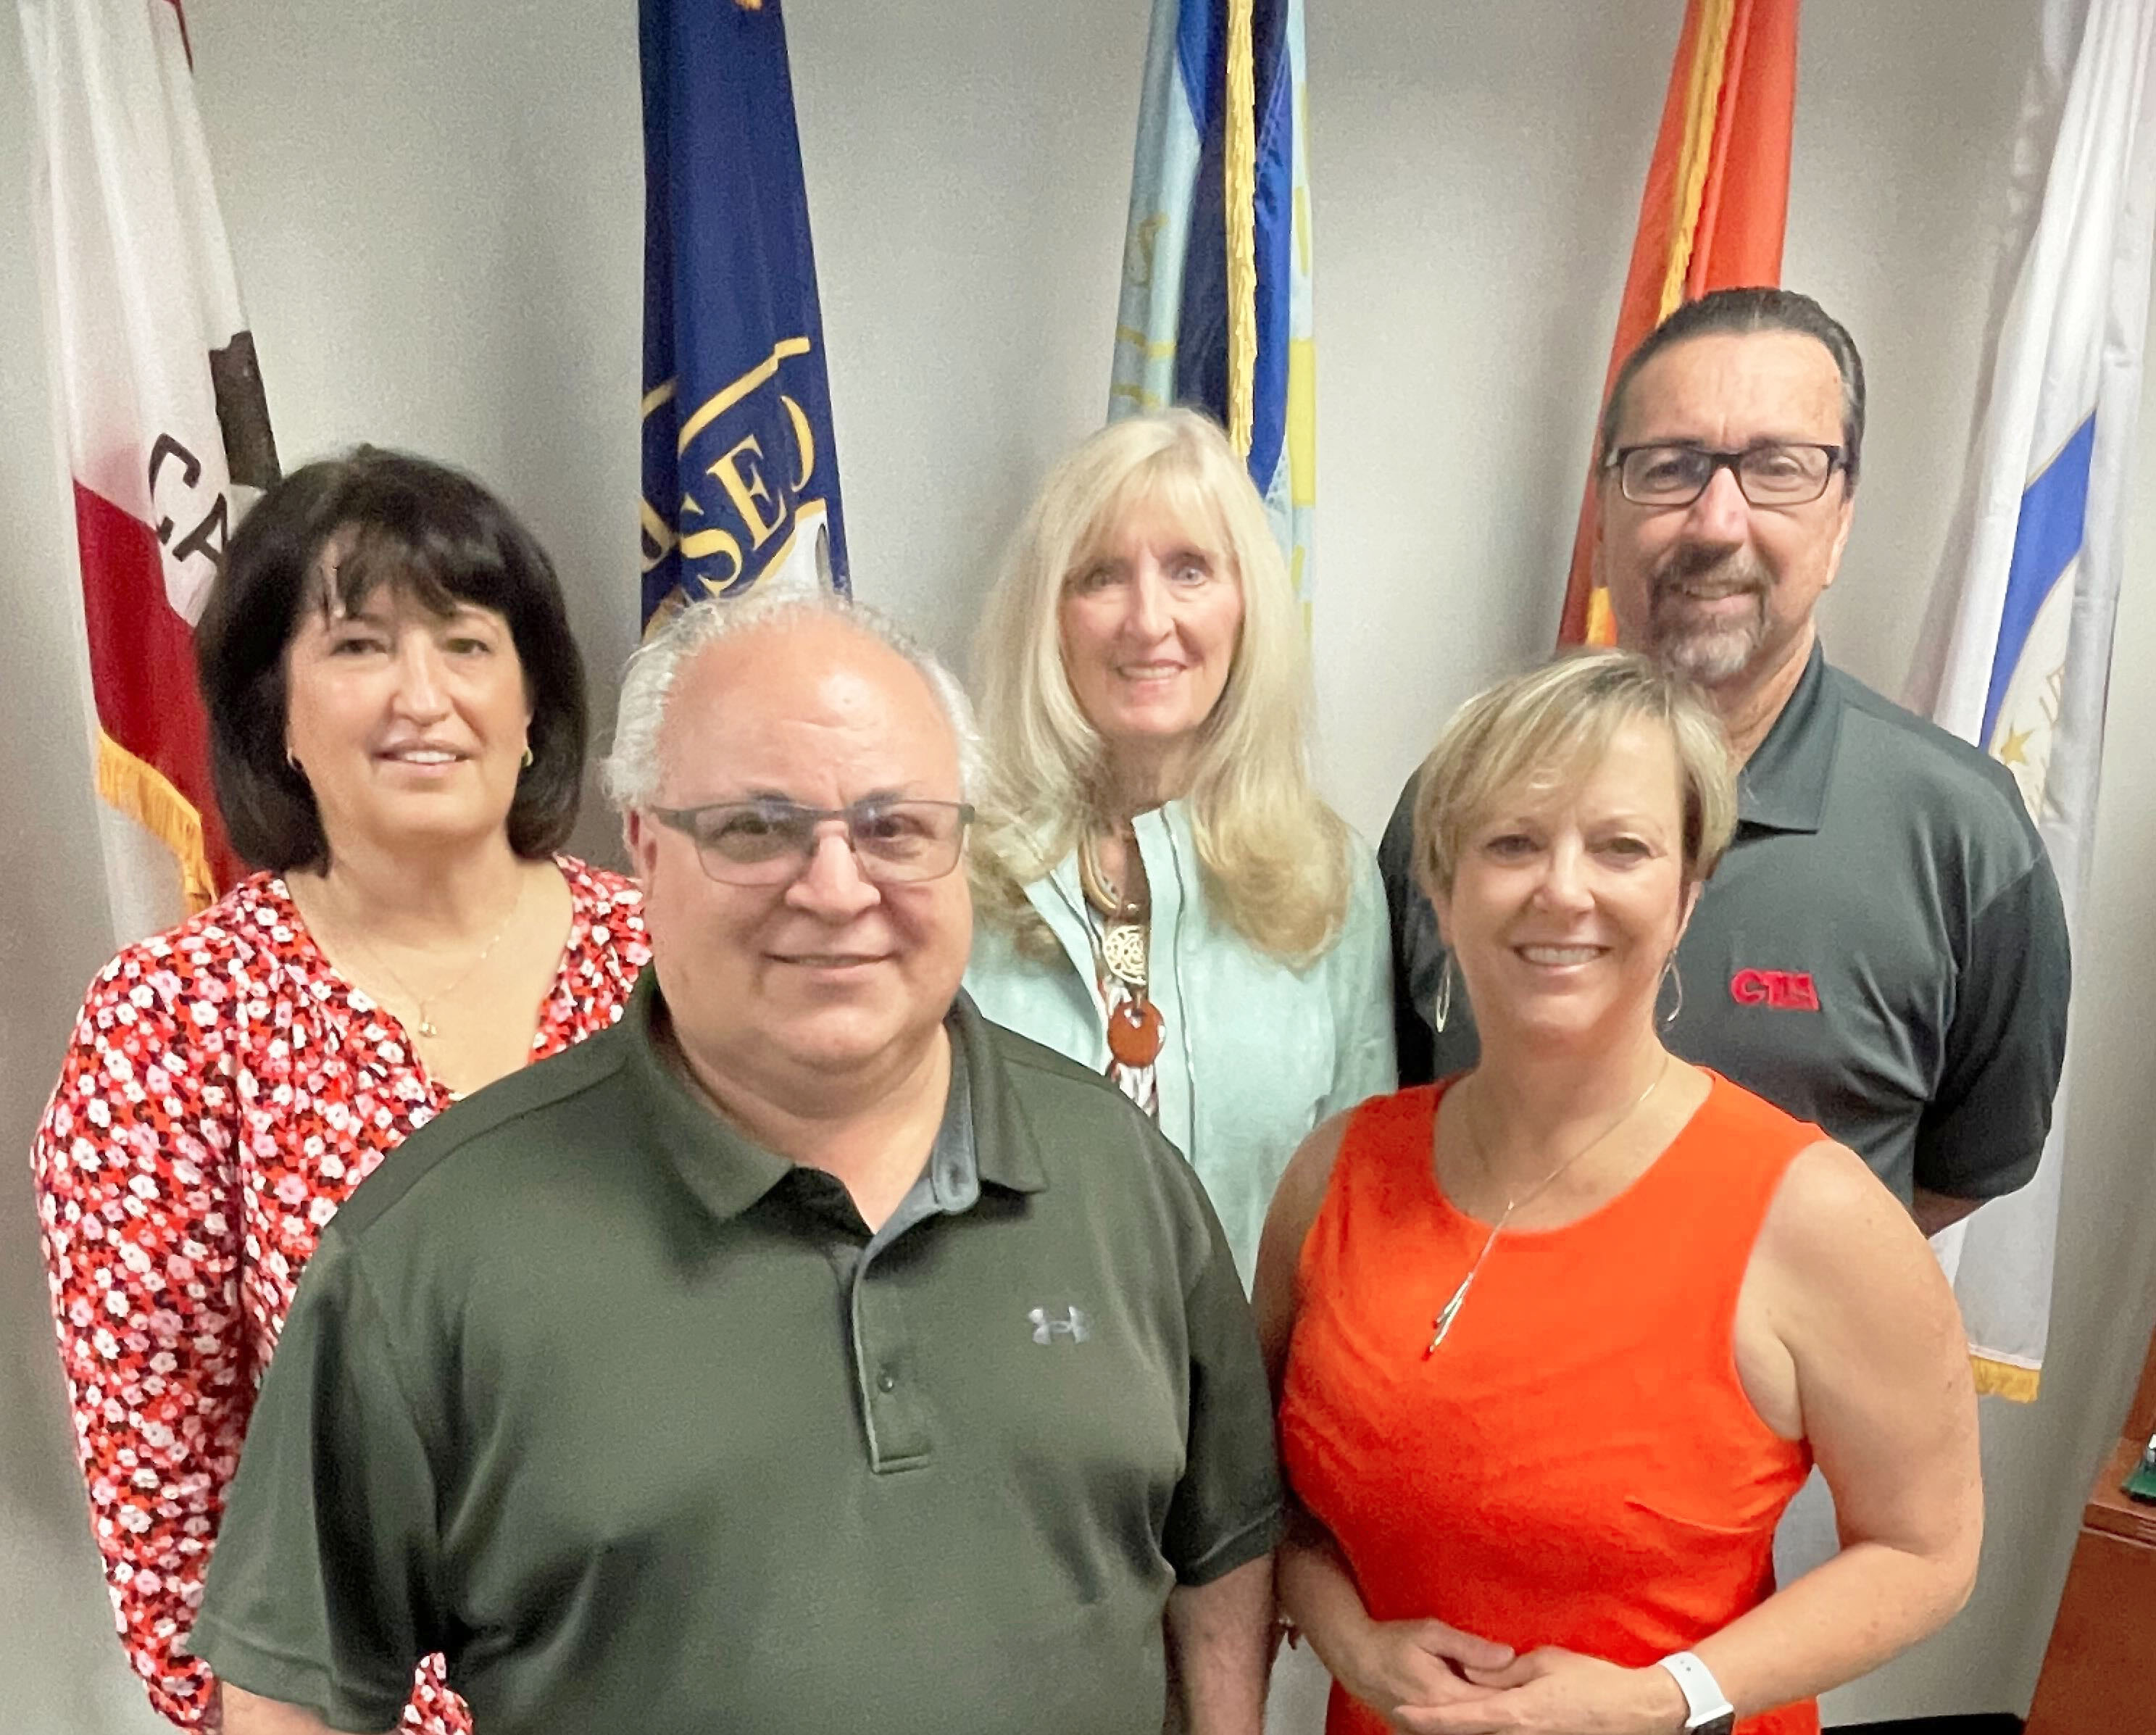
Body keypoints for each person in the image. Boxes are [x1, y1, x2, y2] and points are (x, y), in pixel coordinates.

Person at [186, 592, 1283, 1735]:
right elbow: (290, 1684)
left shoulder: (1122, 1178)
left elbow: (1221, 1543)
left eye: (894, 826)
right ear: (647, 852)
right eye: (756, 828)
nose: (836, 886)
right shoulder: (429, 1249)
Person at [31, 449, 651, 1735]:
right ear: (276, 718)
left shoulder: (680, 966)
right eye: (361, 645)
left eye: (469, 644)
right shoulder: (170, 1021)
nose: (423, 695)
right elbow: (172, 1512)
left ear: (534, 699)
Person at [1262, 652, 1981, 1735]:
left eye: (1621, 847)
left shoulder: (1807, 1212)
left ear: (1686, 895)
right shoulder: (1337, 1172)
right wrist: (1350, 1640)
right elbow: (1253, 1489)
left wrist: (1665, 1696)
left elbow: (1926, 1550)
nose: (1562, 888)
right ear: (1439, 894)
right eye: (1510, 842)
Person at [1378, 288, 2070, 1235]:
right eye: (1667, 468)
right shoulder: (1461, 805)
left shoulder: (1963, 839)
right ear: (1606, 511)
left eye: (1776, 469)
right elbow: (1395, 1109)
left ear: (1840, 517)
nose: (1714, 519)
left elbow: (1965, 1165)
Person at [965, 409, 1394, 1286]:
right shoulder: (951, 867)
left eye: (1189, 570)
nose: (1147, 620)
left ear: (1247, 607)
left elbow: (1357, 1204)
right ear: (1049, 616)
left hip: (1256, 1393)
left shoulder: (1328, 875)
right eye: (1101, 578)